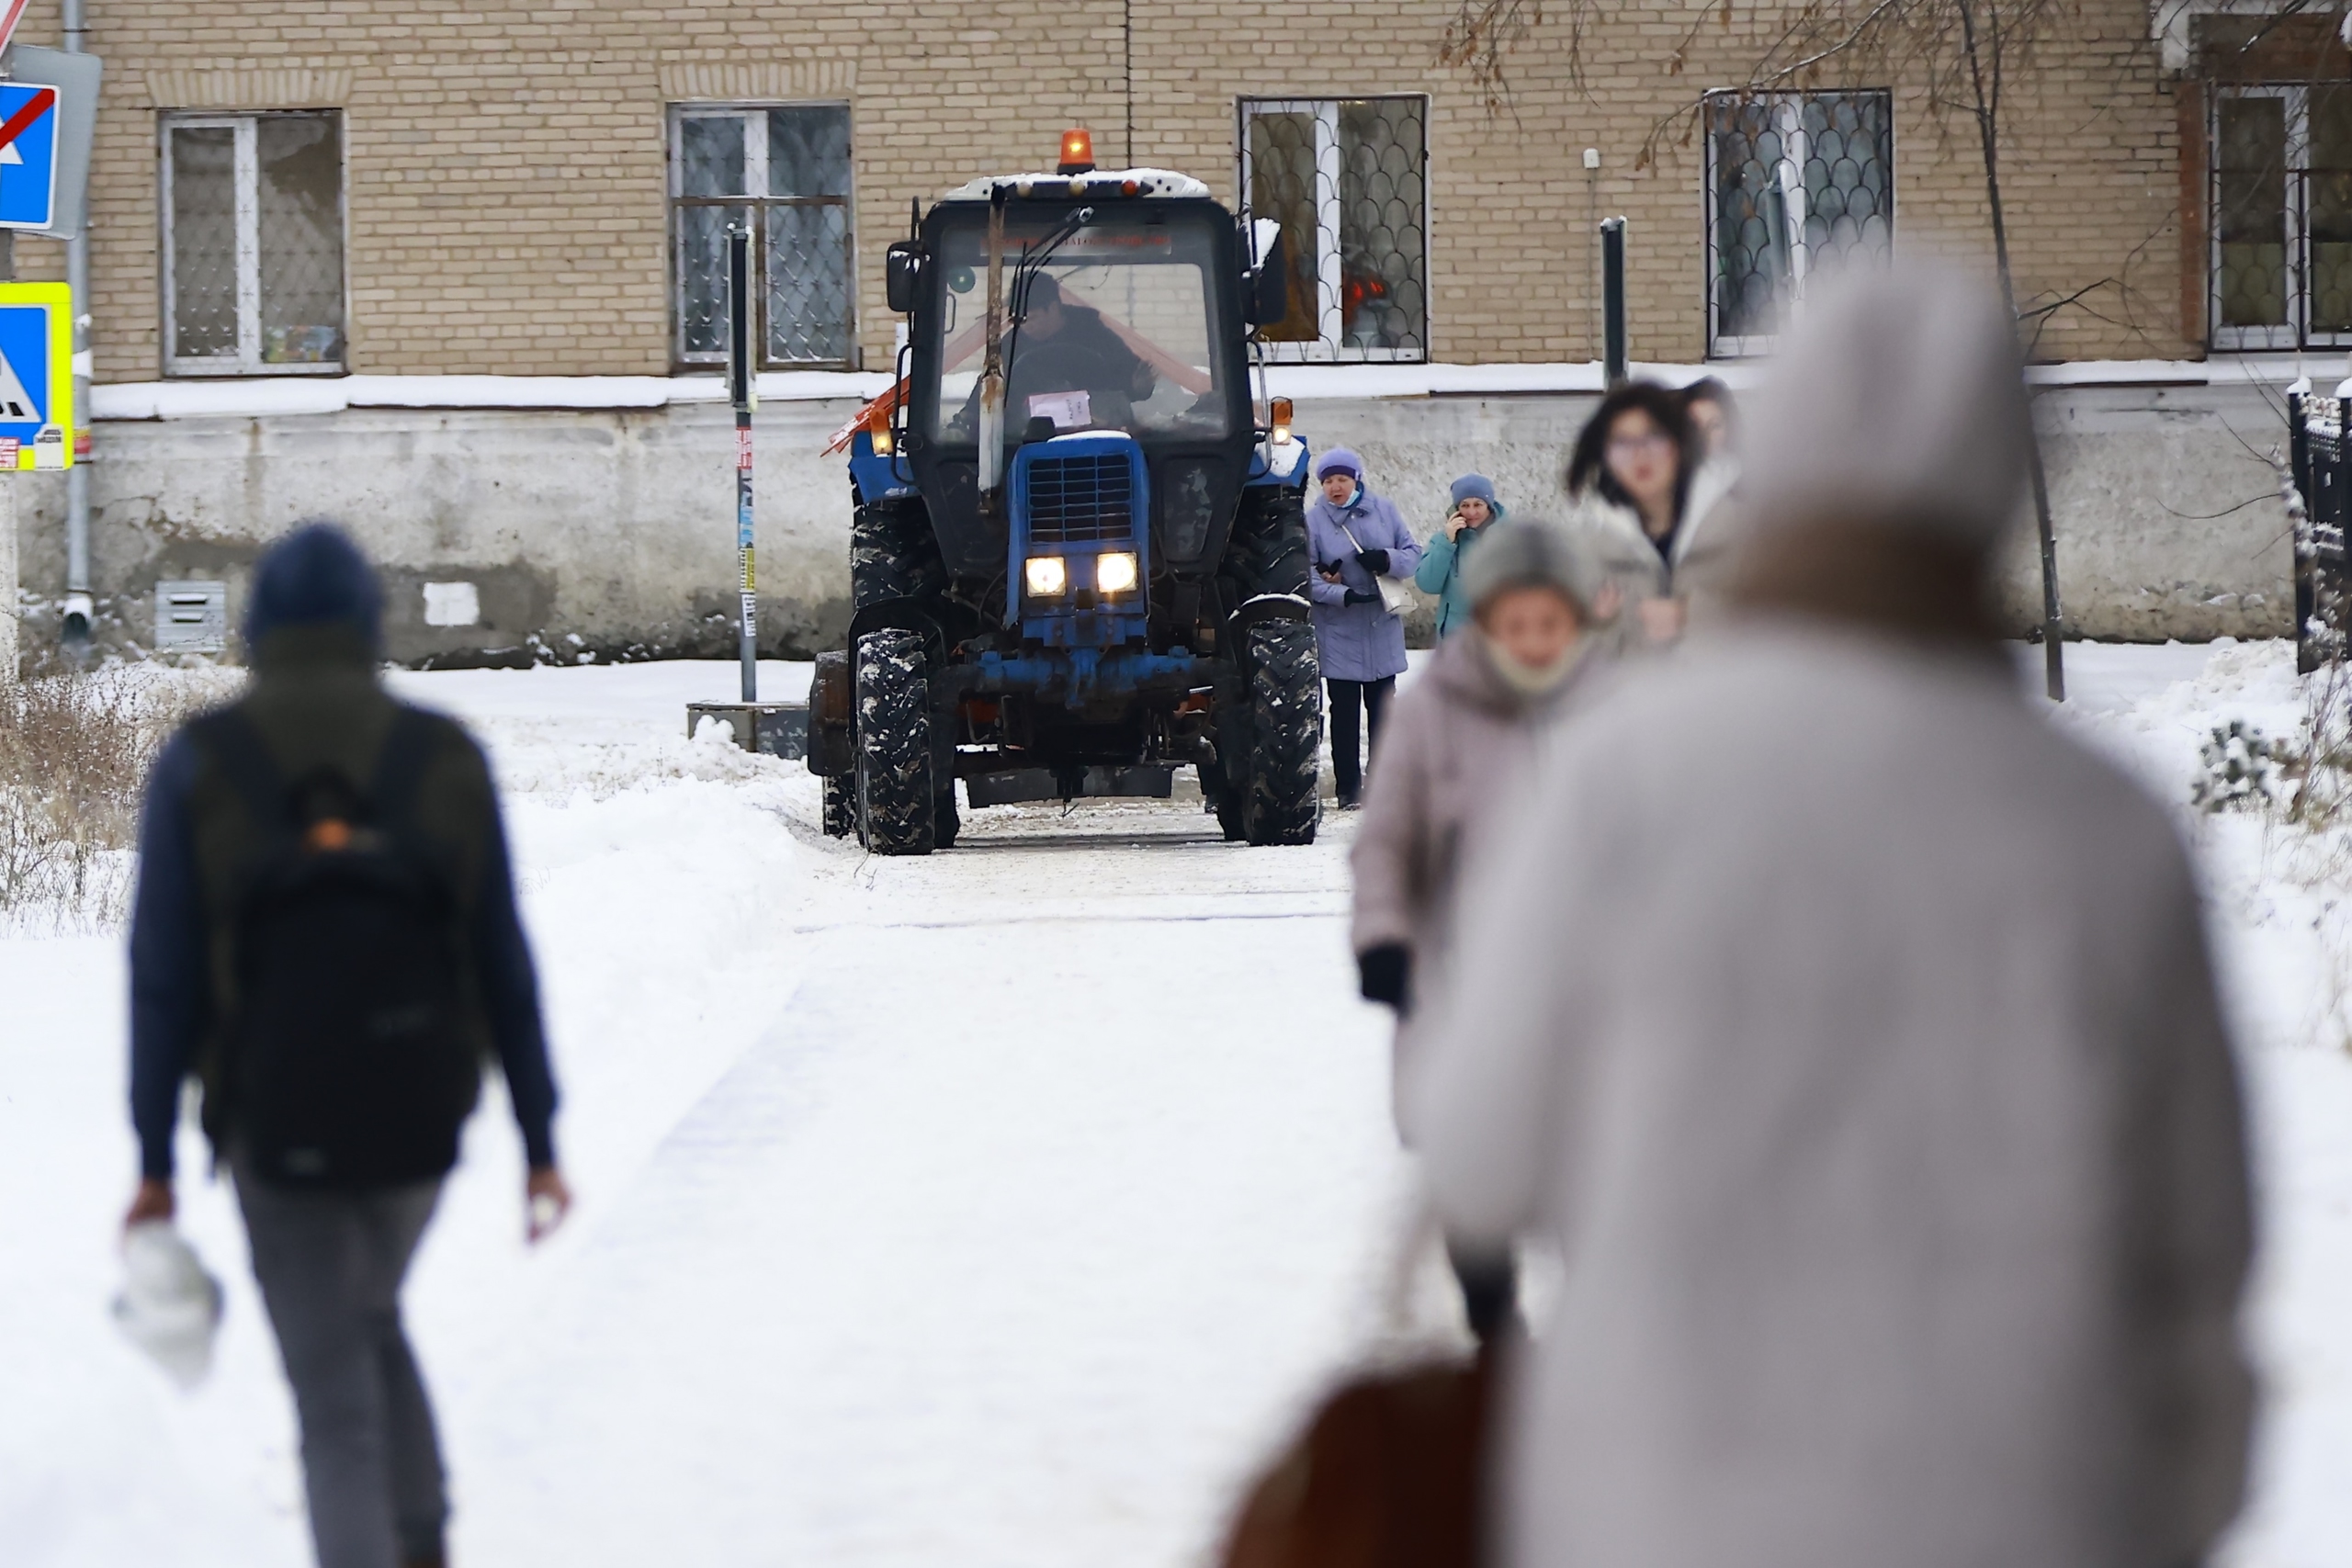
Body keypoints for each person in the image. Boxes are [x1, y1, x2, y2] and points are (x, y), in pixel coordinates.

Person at [1413, 269, 2255, 1568]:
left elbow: (1479, 1153)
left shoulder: (1625, 776)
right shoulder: (2107, 835)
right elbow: (2198, 1254)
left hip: (1661, 1506)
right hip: (2026, 1511)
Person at [124, 524, 570, 1568]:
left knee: (333, 1398)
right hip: (420, 1121)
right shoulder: (443, 755)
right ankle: (422, 1543)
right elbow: (501, 959)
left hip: (274, 1126)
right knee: (365, 1318)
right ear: (370, 623)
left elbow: (163, 978)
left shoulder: (202, 762)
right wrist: (539, 1139)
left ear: (260, 626)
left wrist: (153, 1161)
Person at [1351, 522, 1600, 1340]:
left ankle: (1598, 1330)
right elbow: (1385, 841)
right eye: (1514, 623)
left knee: (1592, 1161)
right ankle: (1496, 1330)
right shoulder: (1433, 711)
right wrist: (1384, 937)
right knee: (1473, 1165)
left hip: (1586, 987)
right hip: (1463, 981)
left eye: (1548, 623)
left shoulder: (1613, 709)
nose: (1532, 641)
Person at [1562, 382, 1733, 648]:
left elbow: (1780, 623)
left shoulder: (1736, 528)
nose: (1640, 455)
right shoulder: (1592, 550)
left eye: (1654, 437)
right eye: (1623, 443)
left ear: (1679, 442)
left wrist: (1691, 615)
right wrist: (1595, 625)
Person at [1306, 447, 1421, 808]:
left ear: (1356, 480)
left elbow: (1413, 554)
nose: (1335, 487)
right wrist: (1342, 594)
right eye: (1327, 481)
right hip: (1339, 629)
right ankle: (1349, 790)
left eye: (1342, 479)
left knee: (1384, 714)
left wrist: (1386, 559)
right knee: (1344, 715)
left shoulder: (1384, 509)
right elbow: (1305, 576)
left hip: (1381, 623)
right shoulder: (1313, 521)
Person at [1005, 271, 1157, 432]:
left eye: (1032, 318)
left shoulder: (1096, 336)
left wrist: (1139, 387)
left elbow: (1128, 383)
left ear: (1053, 308)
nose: (1025, 326)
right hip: (1029, 439)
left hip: (1099, 436)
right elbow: (1004, 401)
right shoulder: (1010, 345)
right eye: (1019, 321)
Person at [1413, 474, 1507, 639]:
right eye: (1465, 505)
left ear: (1489, 505)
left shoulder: (1510, 537)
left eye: (1478, 504)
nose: (1471, 512)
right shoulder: (1443, 540)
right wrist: (1447, 543)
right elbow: (1427, 584)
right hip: (1455, 639)